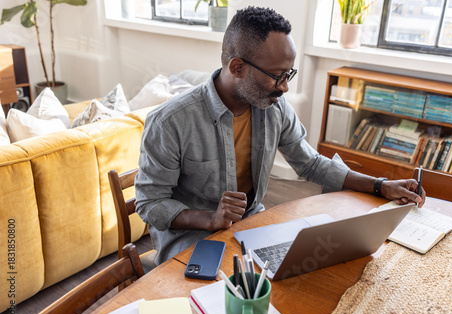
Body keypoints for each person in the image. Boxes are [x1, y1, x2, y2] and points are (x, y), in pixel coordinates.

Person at [135, 6, 426, 265]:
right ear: (237, 67)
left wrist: (380, 185)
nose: (284, 87)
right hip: (190, 239)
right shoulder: (170, 121)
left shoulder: (272, 106)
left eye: (289, 74)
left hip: (252, 224)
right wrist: (210, 219)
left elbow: (310, 163)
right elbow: (150, 203)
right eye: (277, 75)